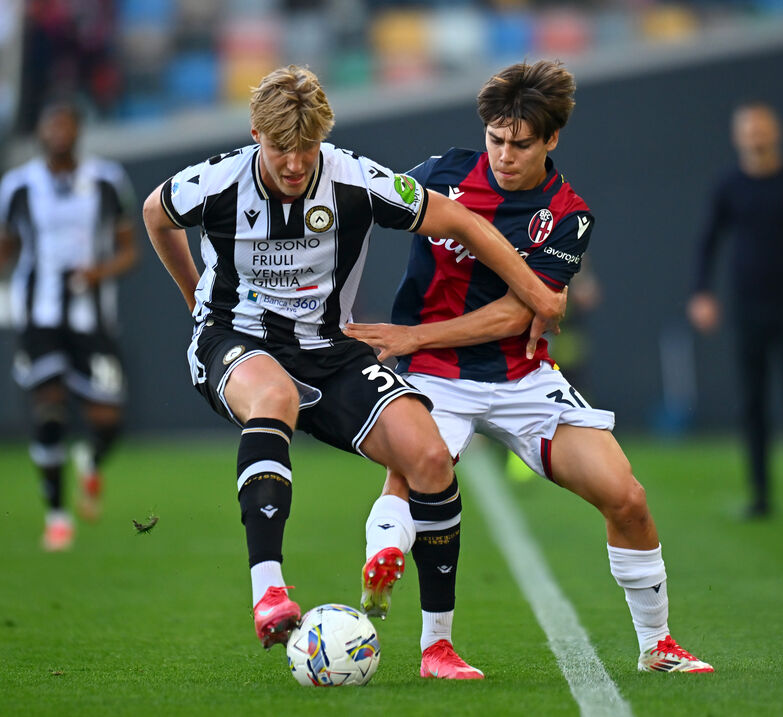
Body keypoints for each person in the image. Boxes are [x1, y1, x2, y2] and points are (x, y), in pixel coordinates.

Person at [140, 65, 565, 650]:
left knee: (430, 456)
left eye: (308, 147)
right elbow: (155, 213)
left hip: (329, 348)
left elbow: (460, 221)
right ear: (256, 135)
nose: (295, 163)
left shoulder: (356, 179)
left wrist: (538, 292)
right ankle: (269, 591)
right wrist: (195, 299)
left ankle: (437, 646)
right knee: (275, 396)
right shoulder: (217, 181)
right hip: (234, 337)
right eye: (280, 148)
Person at [345, 60, 714, 678]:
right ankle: (419, 620)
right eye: (495, 139)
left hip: (523, 378)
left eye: (520, 144)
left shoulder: (568, 214)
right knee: (413, 475)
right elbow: (357, 211)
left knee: (626, 497)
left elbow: (518, 315)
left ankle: (657, 646)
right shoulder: (441, 175)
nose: (504, 155)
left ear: (552, 139)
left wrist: (413, 333)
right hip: (434, 375)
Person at [0, 101, 138, 550]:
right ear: (40, 132)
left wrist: (98, 273)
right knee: (48, 411)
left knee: (108, 420)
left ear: (79, 130)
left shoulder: (108, 180)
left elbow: (129, 250)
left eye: (66, 124)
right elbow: (4, 244)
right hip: (38, 316)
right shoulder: (17, 185)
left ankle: (90, 459)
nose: (58, 132)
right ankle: (58, 516)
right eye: (51, 124)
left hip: (93, 318)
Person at [687, 102, 783, 520]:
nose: (755, 136)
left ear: (776, 132)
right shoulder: (728, 186)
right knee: (753, 401)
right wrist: (701, 292)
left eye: (761, 129)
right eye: (748, 130)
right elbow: (707, 240)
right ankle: (760, 495)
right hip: (748, 307)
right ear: (738, 137)